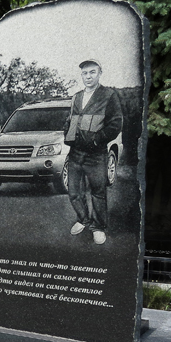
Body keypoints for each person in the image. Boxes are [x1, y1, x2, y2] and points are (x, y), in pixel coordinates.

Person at [64, 59, 123, 245]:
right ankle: (84, 220)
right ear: (81, 75)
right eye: (85, 73)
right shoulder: (76, 97)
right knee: (74, 192)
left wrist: (98, 139)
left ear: (99, 73)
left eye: (92, 72)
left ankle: (99, 227)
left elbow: (116, 123)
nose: (88, 76)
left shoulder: (109, 95)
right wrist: (67, 133)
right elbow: (69, 119)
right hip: (75, 153)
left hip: (96, 155)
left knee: (98, 192)